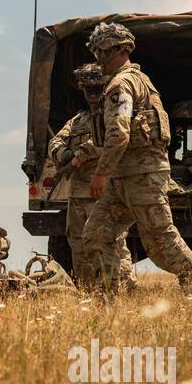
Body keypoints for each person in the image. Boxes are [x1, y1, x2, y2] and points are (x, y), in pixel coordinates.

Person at [80, 23, 192, 291]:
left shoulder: (121, 84)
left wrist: (100, 173)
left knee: (161, 242)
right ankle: (110, 296)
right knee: (96, 235)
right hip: (124, 177)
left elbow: (118, 133)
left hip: (142, 177)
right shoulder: (139, 81)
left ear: (114, 49)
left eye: (99, 52)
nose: (97, 59)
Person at [47, 63, 135, 288]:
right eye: (88, 90)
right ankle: (88, 292)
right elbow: (55, 142)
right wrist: (64, 155)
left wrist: (78, 157)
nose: (93, 95)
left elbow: (109, 142)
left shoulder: (115, 113)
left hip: (105, 192)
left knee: (111, 243)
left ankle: (124, 290)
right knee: (78, 244)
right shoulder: (78, 120)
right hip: (78, 195)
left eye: (98, 89)